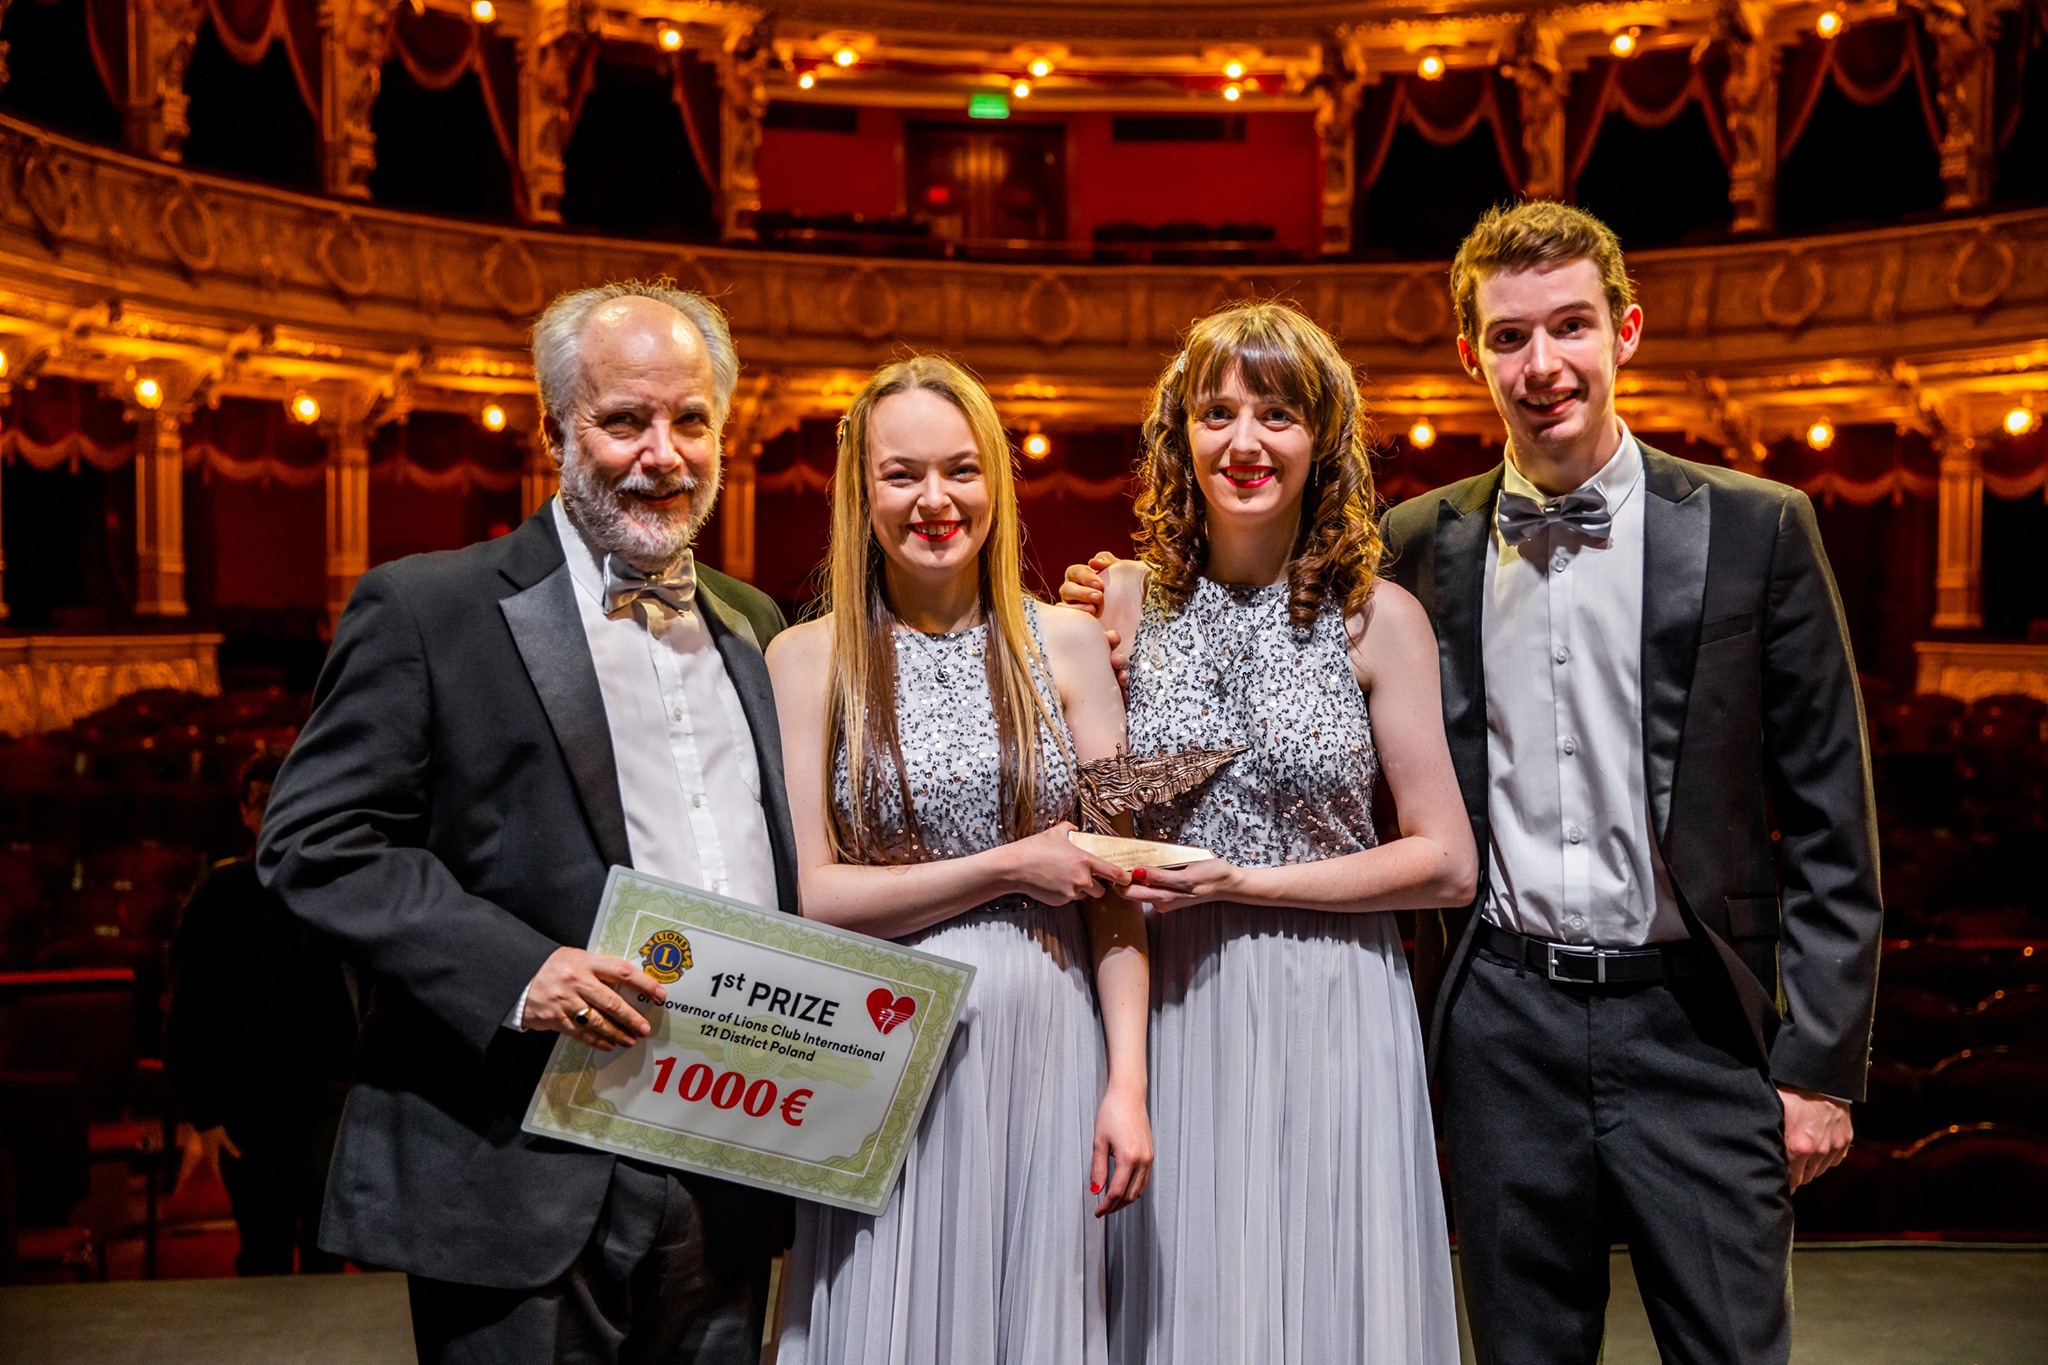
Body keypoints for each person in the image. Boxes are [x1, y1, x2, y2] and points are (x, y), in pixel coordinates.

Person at [258, 281, 798, 1364]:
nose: (663, 453)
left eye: (690, 420)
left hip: (721, 1157)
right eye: (623, 420)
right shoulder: (426, 608)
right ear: (557, 428)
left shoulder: (752, 622)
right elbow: (313, 842)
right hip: (516, 1159)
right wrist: (519, 971)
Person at [1382, 201, 1879, 1363]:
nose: (1540, 364)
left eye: (1569, 327)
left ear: (1626, 333)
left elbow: (1828, 818)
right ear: (1469, 356)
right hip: (1500, 1025)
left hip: (1697, 1028)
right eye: (1508, 337)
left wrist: (1816, 1068)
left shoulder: (1761, 529)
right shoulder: (1412, 542)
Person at [1062, 301, 1473, 1365]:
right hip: (1164, 1003)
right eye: (1216, 412)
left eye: (1277, 413)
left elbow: (1443, 861)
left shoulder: (1376, 617)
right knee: (1185, 1305)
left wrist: (1243, 883)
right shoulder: (1110, 603)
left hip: (1332, 1000)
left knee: (1328, 1300)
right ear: (1178, 436)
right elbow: (1096, 822)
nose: (1243, 441)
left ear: (1321, 440)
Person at [766, 355, 1152, 1365]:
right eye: (901, 475)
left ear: (996, 483)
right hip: (875, 1052)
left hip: (1050, 1046)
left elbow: (1119, 897)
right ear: (861, 492)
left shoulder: (1067, 646)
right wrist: (1006, 866)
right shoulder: (805, 659)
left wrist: (1126, 1082)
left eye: (959, 470)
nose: (934, 501)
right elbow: (806, 894)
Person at [166, 749, 357, 1276]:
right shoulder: (221, 894)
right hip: (252, 1106)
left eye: (290, 799)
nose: (278, 812)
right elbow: (188, 1012)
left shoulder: (340, 887)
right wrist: (204, 1117)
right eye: (264, 801)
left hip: (329, 1100)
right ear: (246, 814)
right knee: (263, 1256)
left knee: (328, 1258)